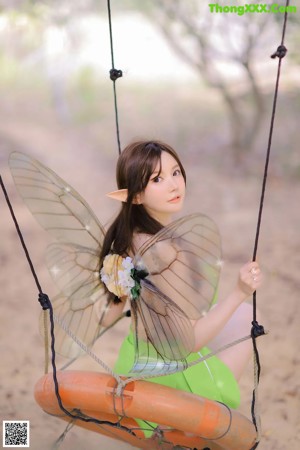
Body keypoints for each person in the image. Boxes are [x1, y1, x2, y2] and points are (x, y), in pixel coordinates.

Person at [99, 140, 263, 436]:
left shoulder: (127, 241)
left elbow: (106, 317)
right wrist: (239, 291)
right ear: (135, 196)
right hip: (174, 387)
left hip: (135, 371)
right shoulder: (167, 252)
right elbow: (189, 343)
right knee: (247, 313)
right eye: (157, 179)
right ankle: (188, 425)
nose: (174, 185)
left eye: (176, 172)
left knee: (233, 313)